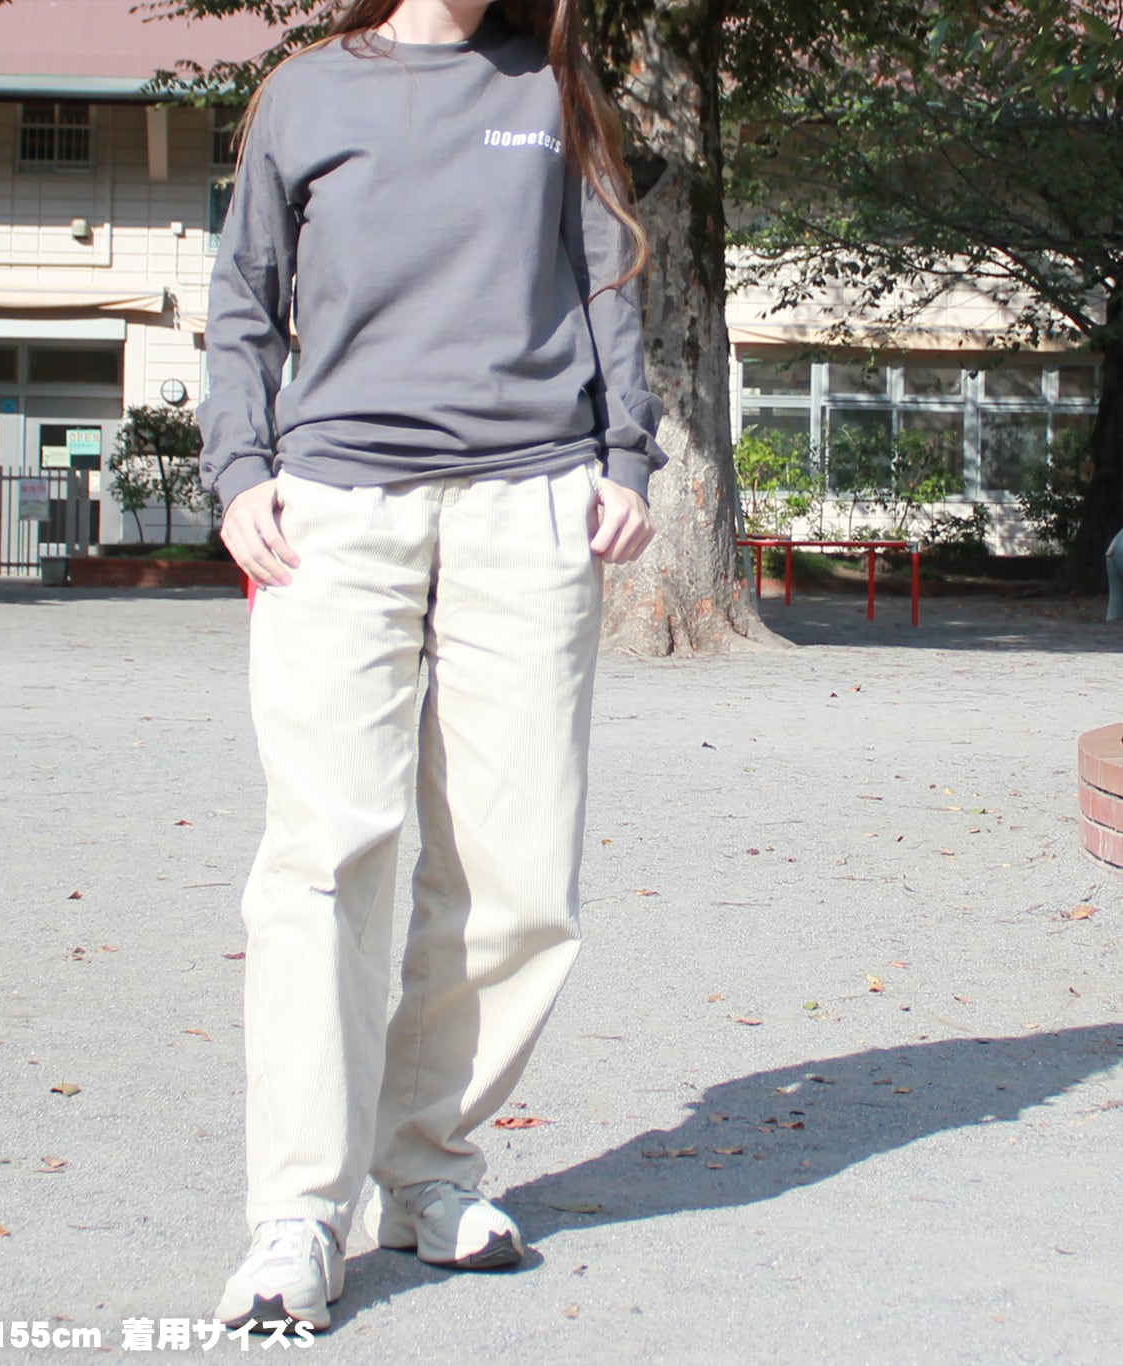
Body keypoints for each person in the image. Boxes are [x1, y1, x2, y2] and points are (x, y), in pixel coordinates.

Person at [197, 0, 667, 1332]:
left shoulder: (552, 83)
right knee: (325, 856)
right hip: (336, 509)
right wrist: (237, 467)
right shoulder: (306, 93)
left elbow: (606, 280)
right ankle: (298, 1210)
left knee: (518, 878)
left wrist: (624, 456)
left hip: (531, 505)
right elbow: (243, 298)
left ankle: (428, 1169)